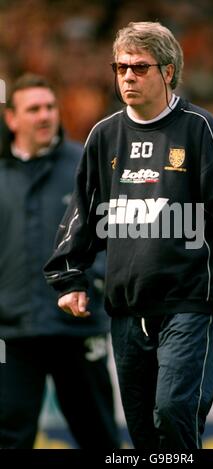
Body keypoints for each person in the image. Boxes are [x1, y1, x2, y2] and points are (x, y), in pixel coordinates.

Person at [44, 22, 213, 450]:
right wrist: (70, 275)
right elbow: (81, 213)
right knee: (144, 435)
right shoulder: (103, 136)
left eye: (139, 68)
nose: (127, 76)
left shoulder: (202, 130)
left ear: (168, 72)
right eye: (121, 67)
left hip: (188, 304)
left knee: (173, 411)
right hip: (126, 308)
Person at [0, 73, 120, 449]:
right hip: (13, 332)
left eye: (49, 107)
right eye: (33, 109)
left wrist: (94, 281)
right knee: (9, 438)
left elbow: (117, 234)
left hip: (78, 328)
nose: (44, 116)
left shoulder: (86, 163)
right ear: (11, 119)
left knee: (99, 437)